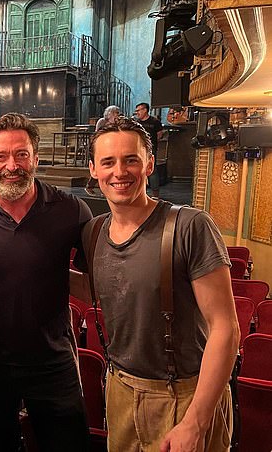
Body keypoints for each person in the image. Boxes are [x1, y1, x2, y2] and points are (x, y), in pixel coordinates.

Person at [76, 117, 239, 452]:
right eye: (108, 162)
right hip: (120, 389)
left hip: (183, 395)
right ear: (93, 169)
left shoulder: (190, 226)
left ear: (149, 164)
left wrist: (195, 422)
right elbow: (110, 291)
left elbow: (226, 328)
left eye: (131, 159)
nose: (119, 172)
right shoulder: (93, 232)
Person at [0, 113, 92, 451]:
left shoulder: (72, 211)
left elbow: (92, 284)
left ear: (36, 158)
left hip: (52, 359)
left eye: (21, 154)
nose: (11, 165)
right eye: (0, 156)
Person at [88, 105, 121, 193]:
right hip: (103, 146)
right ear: (110, 113)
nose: (118, 115)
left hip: (114, 146)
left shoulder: (117, 123)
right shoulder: (102, 121)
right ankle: (90, 186)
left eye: (118, 113)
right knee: (100, 167)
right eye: (116, 113)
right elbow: (97, 134)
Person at [134, 102, 163, 198]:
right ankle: (141, 193)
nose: (137, 112)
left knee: (152, 170)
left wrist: (150, 144)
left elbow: (159, 134)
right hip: (137, 149)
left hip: (150, 149)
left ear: (145, 110)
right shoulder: (137, 123)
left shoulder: (155, 122)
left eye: (138, 110)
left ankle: (156, 195)